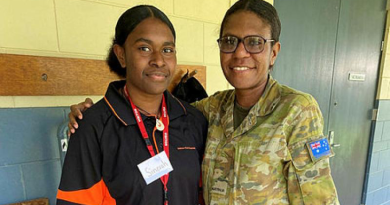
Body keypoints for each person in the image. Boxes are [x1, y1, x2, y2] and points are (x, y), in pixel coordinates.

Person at [67, 0, 339, 204]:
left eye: (255, 42)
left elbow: (318, 197)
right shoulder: (211, 110)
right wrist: (94, 116)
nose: (240, 53)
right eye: (230, 41)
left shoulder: (296, 110)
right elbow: (156, 109)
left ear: (273, 52)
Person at [57, 5, 208, 205]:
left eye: (167, 50)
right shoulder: (94, 127)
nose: (158, 60)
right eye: (144, 48)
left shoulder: (193, 120)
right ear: (121, 55)